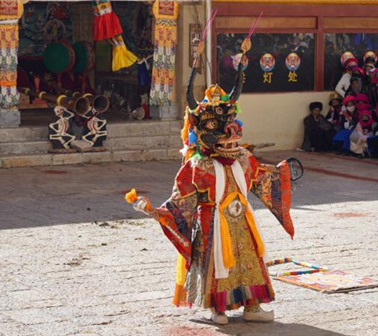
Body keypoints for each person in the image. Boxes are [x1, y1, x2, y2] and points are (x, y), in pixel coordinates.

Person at [128, 39, 299, 325]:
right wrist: (153, 211)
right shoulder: (199, 164)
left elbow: (261, 178)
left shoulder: (243, 158)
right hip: (211, 223)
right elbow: (182, 202)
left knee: (249, 260)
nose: (231, 139)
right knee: (214, 264)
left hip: (241, 219)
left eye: (231, 130)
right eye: (221, 133)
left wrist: (282, 173)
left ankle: (252, 305)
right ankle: (216, 309)